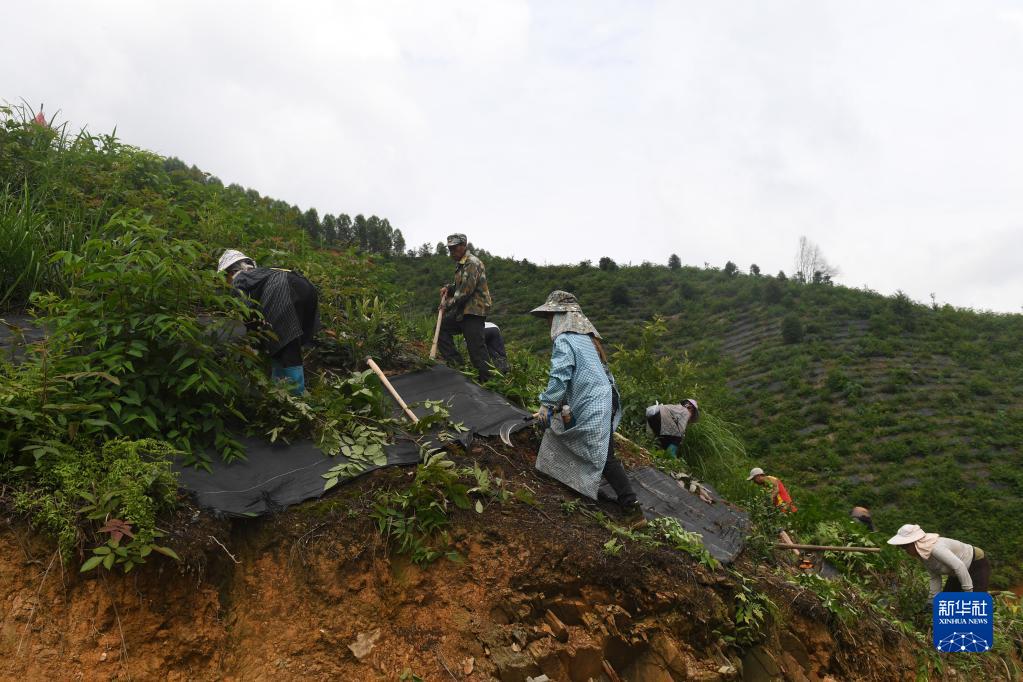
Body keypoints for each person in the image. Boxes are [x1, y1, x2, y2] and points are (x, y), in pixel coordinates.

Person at [529, 290, 643, 524]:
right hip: (604, 399)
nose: (550, 322)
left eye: (552, 317)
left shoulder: (565, 340)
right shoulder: (587, 340)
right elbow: (578, 377)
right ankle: (579, 486)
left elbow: (560, 376)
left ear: (562, 316)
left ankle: (632, 508)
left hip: (595, 403)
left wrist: (547, 404)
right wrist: (557, 405)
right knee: (590, 445)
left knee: (603, 455)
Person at [217, 249, 319, 395]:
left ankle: (296, 397)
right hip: (306, 287)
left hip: (283, 288)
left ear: (230, 271)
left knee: (286, 343)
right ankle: (279, 391)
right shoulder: (262, 272)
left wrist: (252, 336)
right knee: (280, 341)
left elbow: (246, 309)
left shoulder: (239, 277)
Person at [437, 234, 492, 381]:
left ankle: (488, 381)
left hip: (474, 311)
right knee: (442, 328)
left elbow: (465, 291)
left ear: (463, 246)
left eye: (454, 248)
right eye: (450, 249)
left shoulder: (472, 263)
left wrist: (446, 305)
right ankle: (458, 366)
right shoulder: (461, 264)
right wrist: (449, 288)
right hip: (463, 311)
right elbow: (459, 287)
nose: (452, 252)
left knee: (476, 349)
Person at [887, 524, 991, 603]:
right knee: (947, 601)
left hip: (976, 563)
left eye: (905, 547)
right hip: (956, 572)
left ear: (914, 543)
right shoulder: (924, 553)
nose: (905, 551)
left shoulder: (936, 548)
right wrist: (931, 601)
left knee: (976, 601)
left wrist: (968, 593)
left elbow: (959, 566)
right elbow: (934, 577)